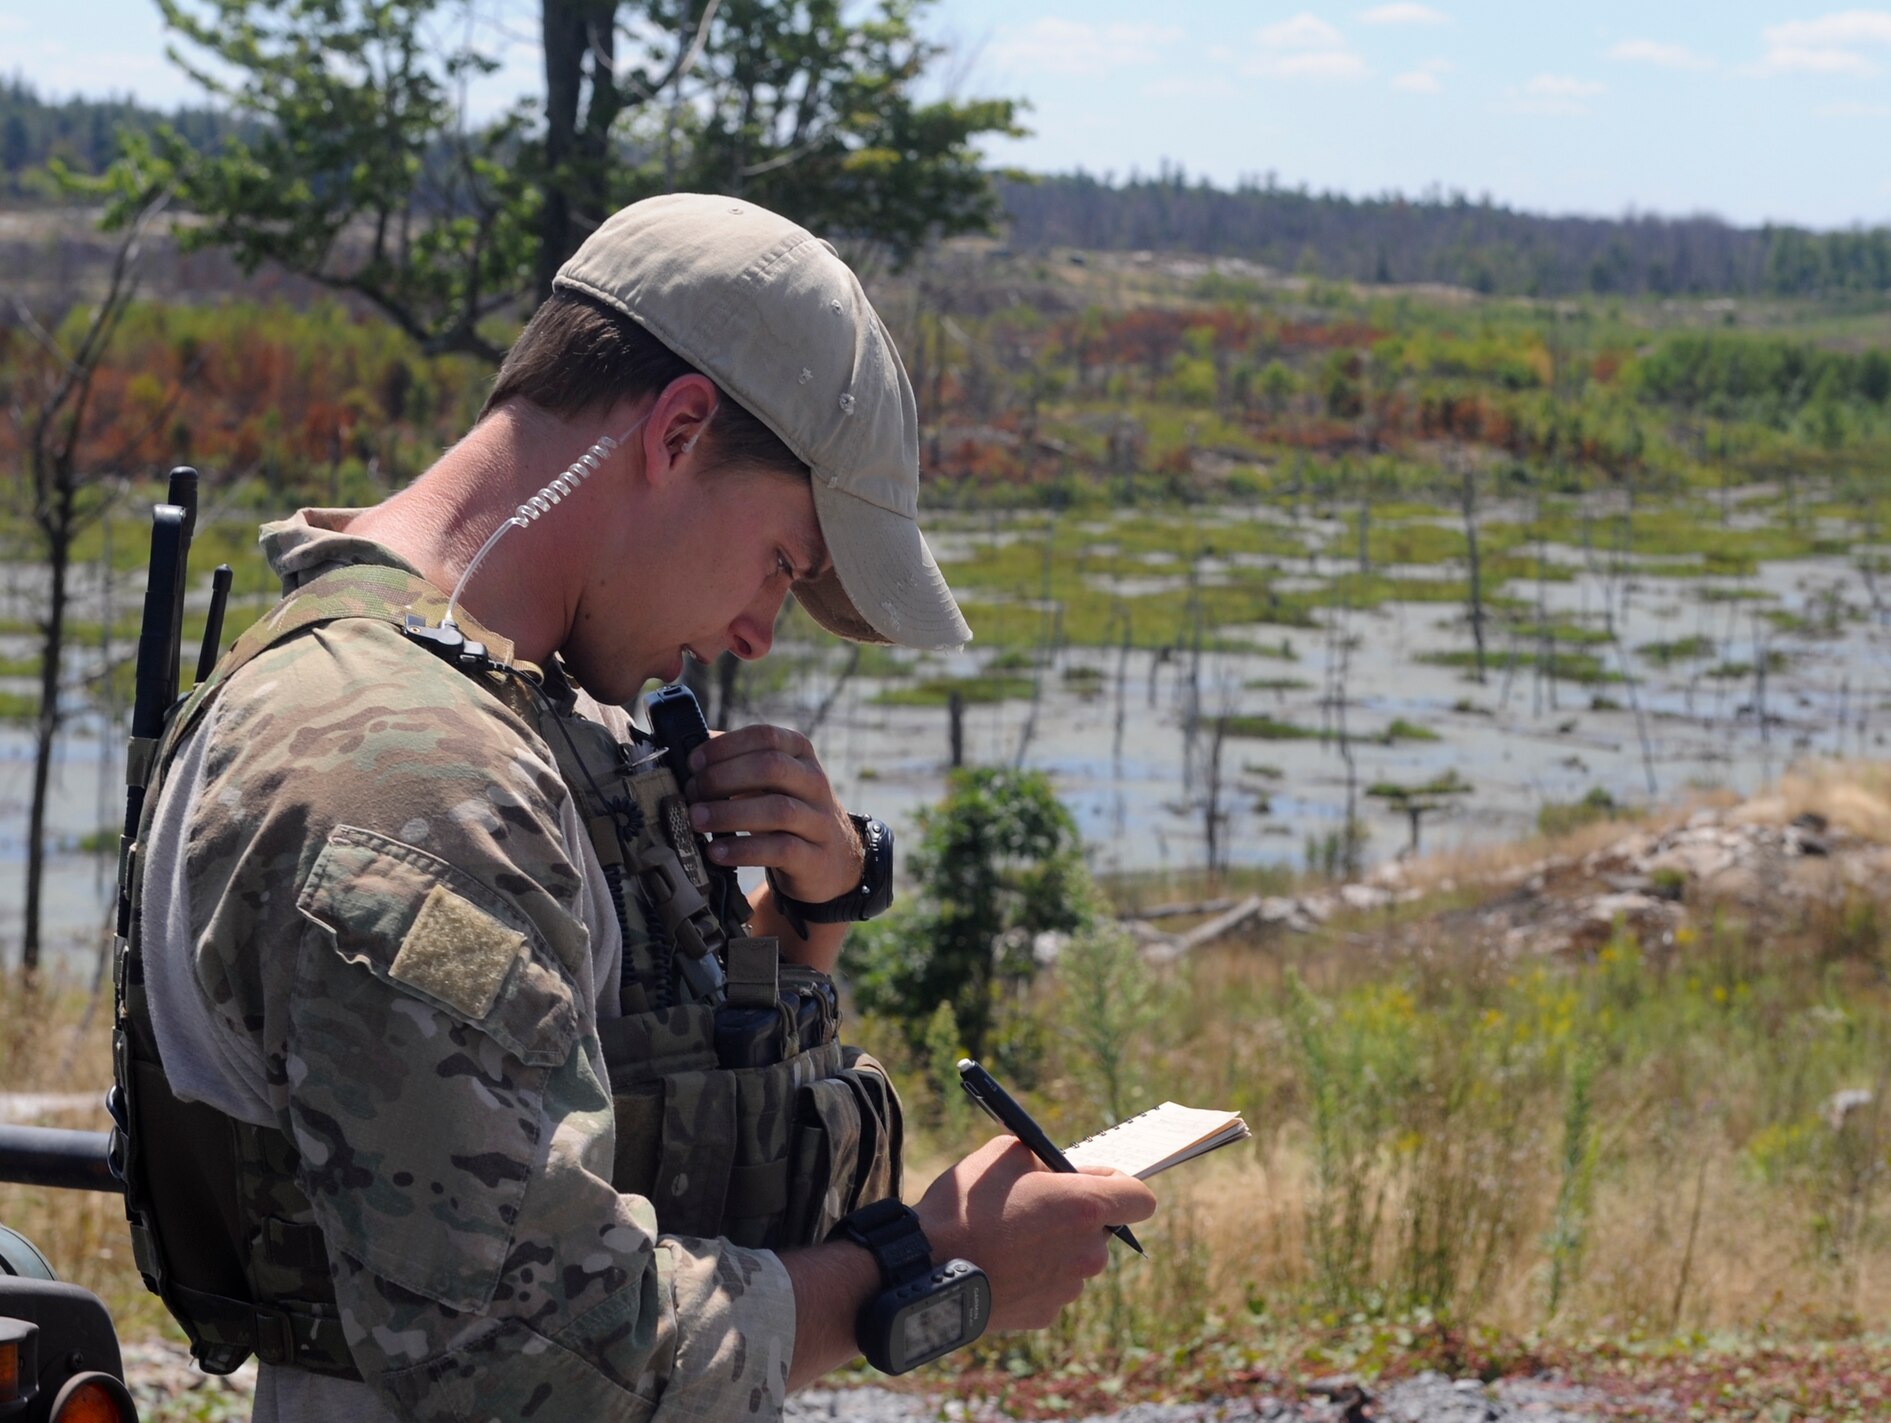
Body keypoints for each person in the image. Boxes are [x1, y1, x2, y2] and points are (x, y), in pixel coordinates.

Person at [117, 194, 1155, 1422]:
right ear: (676, 430)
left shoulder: (503, 709)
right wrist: (929, 1271)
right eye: (783, 558)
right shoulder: (410, 771)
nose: (760, 633)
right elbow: (531, 1348)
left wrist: (805, 912)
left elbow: (635, 1107)